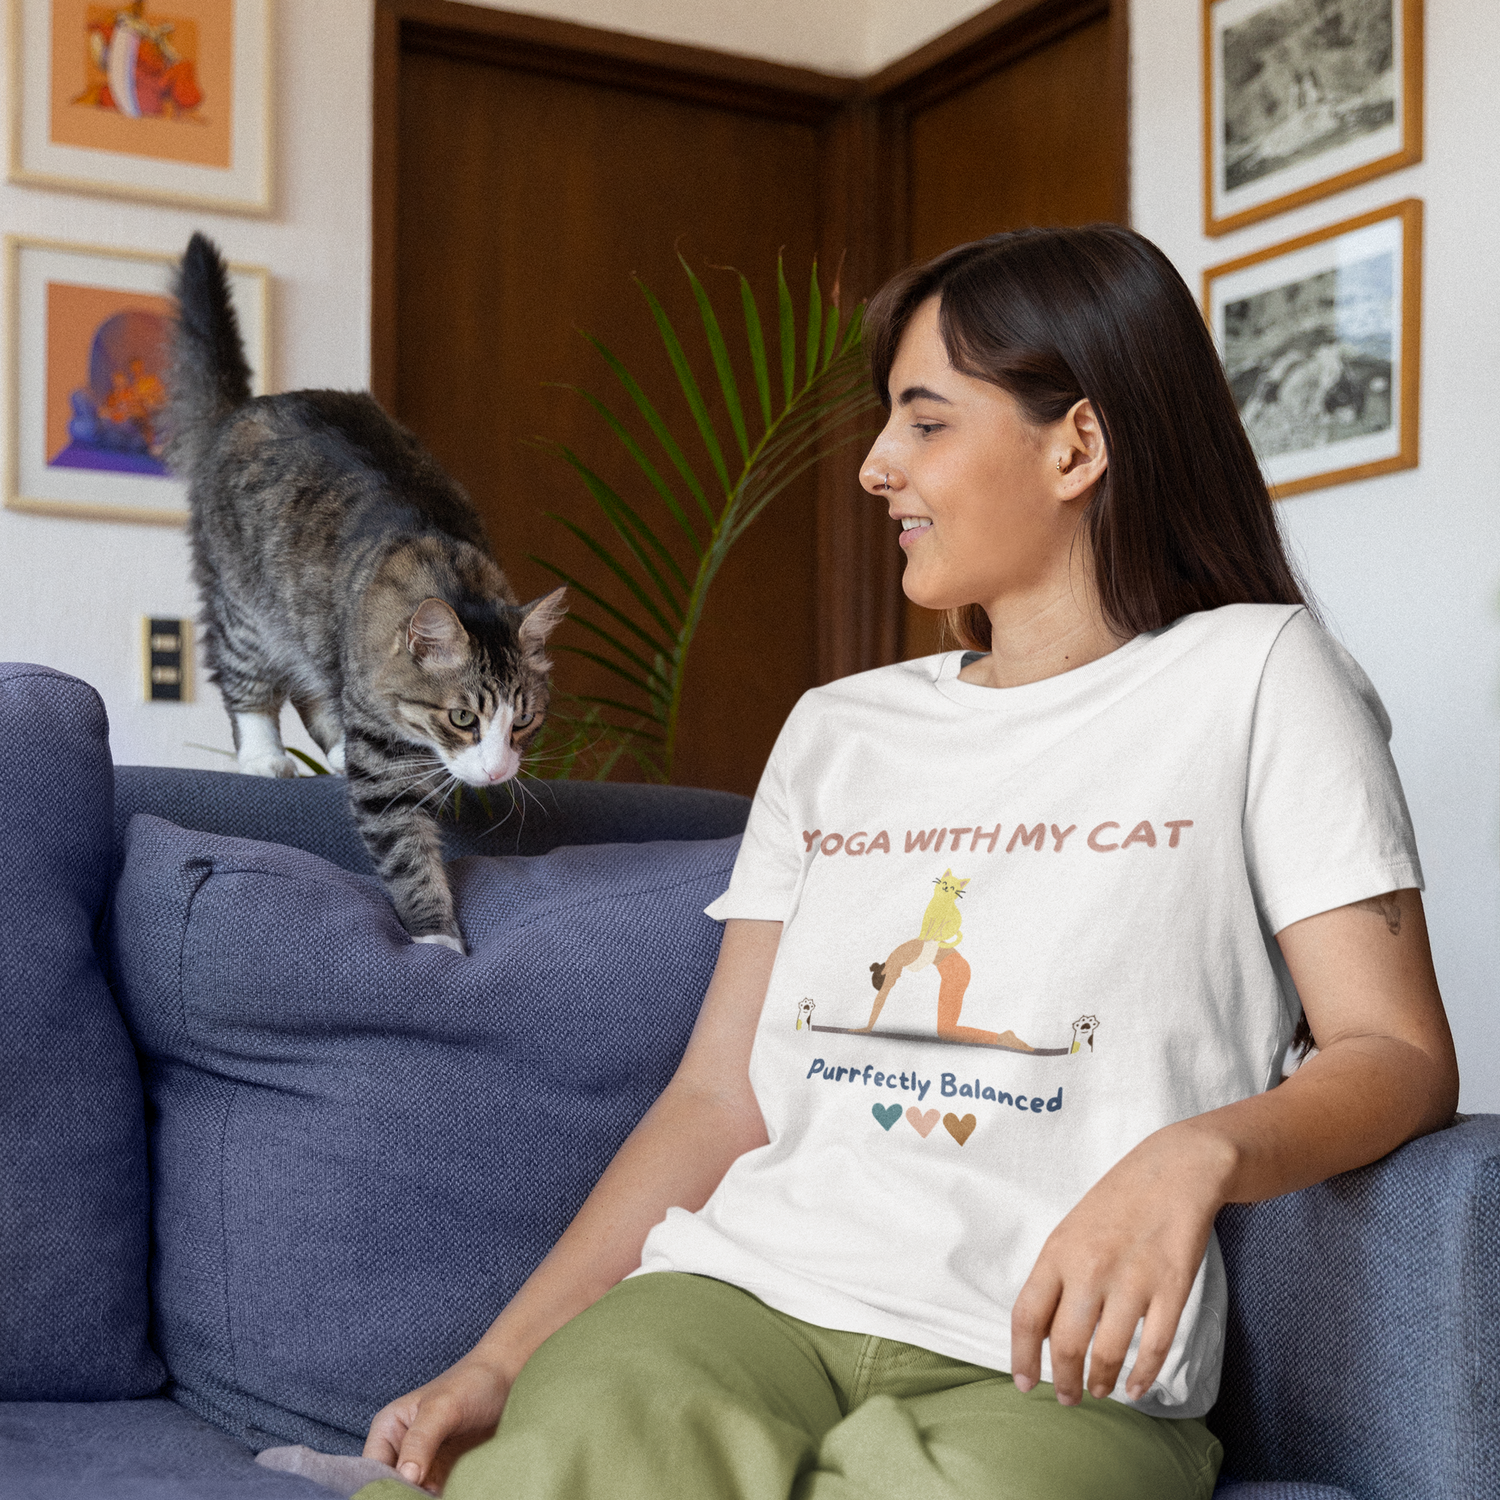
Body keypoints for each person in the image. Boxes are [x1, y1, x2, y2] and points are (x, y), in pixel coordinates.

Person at [353, 227, 1458, 1500]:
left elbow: (1397, 1052)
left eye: (923, 423)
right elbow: (721, 1098)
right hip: (734, 1303)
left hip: (1056, 1366)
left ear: (1077, 446)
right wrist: (499, 1362)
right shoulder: (838, 728)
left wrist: (1191, 1157)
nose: (877, 468)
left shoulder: (1259, 678)